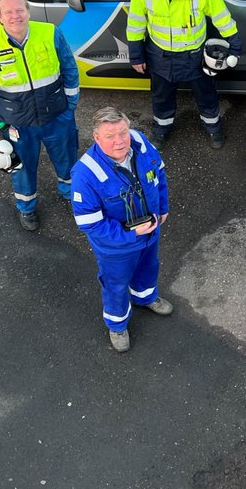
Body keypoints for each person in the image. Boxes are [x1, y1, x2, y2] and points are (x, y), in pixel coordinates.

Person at [0, 0, 80, 232]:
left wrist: (70, 108)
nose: (15, 16)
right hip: (17, 124)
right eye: (8, 12)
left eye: (20, 10)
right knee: (22, 168)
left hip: (57, 116)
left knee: (67, 159)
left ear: (28, 11)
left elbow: (69, 70)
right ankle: (27, 208)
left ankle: (71, 193)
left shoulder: (49, 33)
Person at [71, 108, 172, 353]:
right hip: (116, 247)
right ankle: (117, 324)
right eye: (110, 136)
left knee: (149, 268)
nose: (119, 141)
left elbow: (158, 173)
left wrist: (163, 206)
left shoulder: (139, 141)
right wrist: (130, 235)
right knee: (115, 285)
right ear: (96, 138)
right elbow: (90, 223)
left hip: (150, 231)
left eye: (123, 132)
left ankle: (145, 297)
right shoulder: (85, 174)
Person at [125, 0, 241, 149]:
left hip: (195, 57)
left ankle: (213, 128)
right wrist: (136, 55)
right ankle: (161, 130)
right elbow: (135, 22)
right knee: (161, 98)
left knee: (206, 95)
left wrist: (235, 44)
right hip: (160, 56)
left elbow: (221, 17)